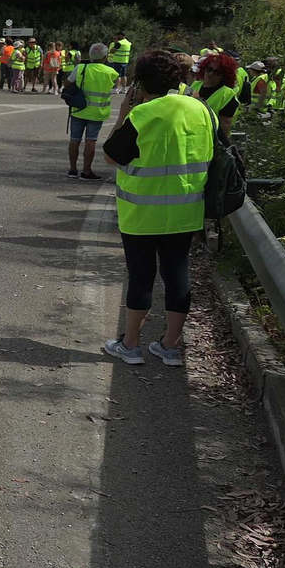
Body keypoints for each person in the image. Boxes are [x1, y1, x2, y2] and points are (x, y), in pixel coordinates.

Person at [100, 50, 214, 367]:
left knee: (141, 276)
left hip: (142, 214)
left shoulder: (143, 114)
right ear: (178, 77)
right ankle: (170, 346)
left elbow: (111, 156)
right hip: (186, 210)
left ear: (139, 83)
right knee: (178, 274)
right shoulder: (200, 109)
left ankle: (131, 344)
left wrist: (124, 110)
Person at [65, 42, 118, 180]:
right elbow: (114, 86)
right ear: (105, 56)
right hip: (97, 112)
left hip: (79, 108)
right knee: (91, 141)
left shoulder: (81, 68)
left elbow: (67, 83)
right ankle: (86, 171)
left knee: (74, 140)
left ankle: (72, 169)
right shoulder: (111, 72)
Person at [192, 53, 240, 139]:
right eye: (209, 69)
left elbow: (225, 126)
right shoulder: (195, 85)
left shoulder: (227, 94)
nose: (210, 74)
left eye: (216, 72)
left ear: (224, 75)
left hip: (208, 139)